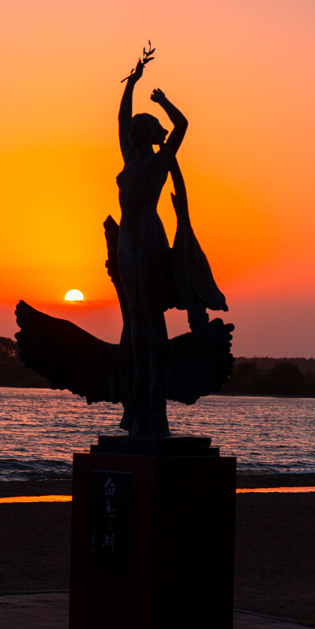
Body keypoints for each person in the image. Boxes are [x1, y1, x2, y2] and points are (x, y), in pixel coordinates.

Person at [116, 55, 188, 436]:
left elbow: (183, 126)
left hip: (147, 237)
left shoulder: (160, 162)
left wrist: (162, 102)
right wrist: (131, 82)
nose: (128, 134)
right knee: (133, 318)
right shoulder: (129, 159)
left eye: (134, 131)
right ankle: (135, 396)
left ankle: (150, 392)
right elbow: (120, 117)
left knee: (147, 315)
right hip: (126, 241)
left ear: (145, 134)